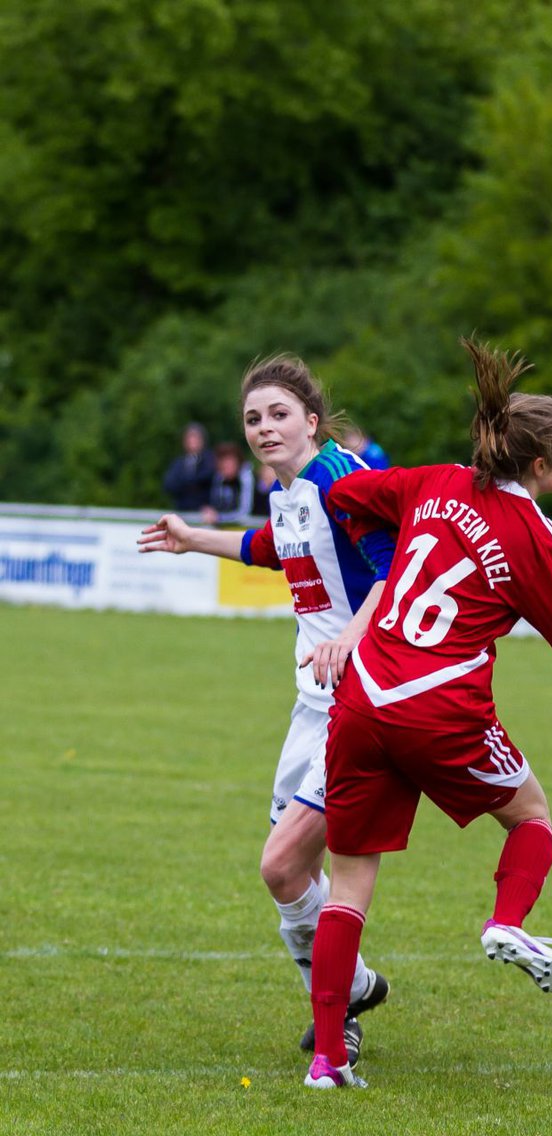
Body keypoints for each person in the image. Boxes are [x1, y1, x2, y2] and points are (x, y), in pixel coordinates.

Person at [303, 337, 552, 1089]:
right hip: (440, 709)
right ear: (540, 463)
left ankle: (328, 1060)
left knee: (350, 880)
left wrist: (375, 525)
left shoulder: (436, 482)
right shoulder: (536, 540)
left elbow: (346, 496)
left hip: (361, 699)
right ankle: (506, 923)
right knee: (531, 818)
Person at [138, 356, 396, 1065]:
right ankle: (355, 986)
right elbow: (270, 548)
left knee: (283, 865)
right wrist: (194, 540)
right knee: (288, 875)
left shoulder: (339, 477)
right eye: (253, 419)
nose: (263, 428)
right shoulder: (285, 492)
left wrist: (351, 635)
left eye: (278, 414)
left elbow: (394, 566)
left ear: (312, 419)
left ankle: (338, 1010)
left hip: (361, 703)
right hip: (311, 705)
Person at [162, 422, 216, 511]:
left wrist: (187, 482)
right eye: (190, 438)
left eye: (196, 437)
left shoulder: (210, 460)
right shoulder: (178, 462)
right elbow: (168, 485)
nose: (193, 441)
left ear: (203, 440)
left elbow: (208, 478)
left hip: (204, 513)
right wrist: (191, 483)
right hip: (182, 511)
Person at [200, 442, 256, 525]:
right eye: (223, 463)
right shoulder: (219, 477)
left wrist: (219, 518)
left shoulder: (246, 478)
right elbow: (216, 504)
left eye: (230, 462)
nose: (226, 466)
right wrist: (210, 512)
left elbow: (244, 513)